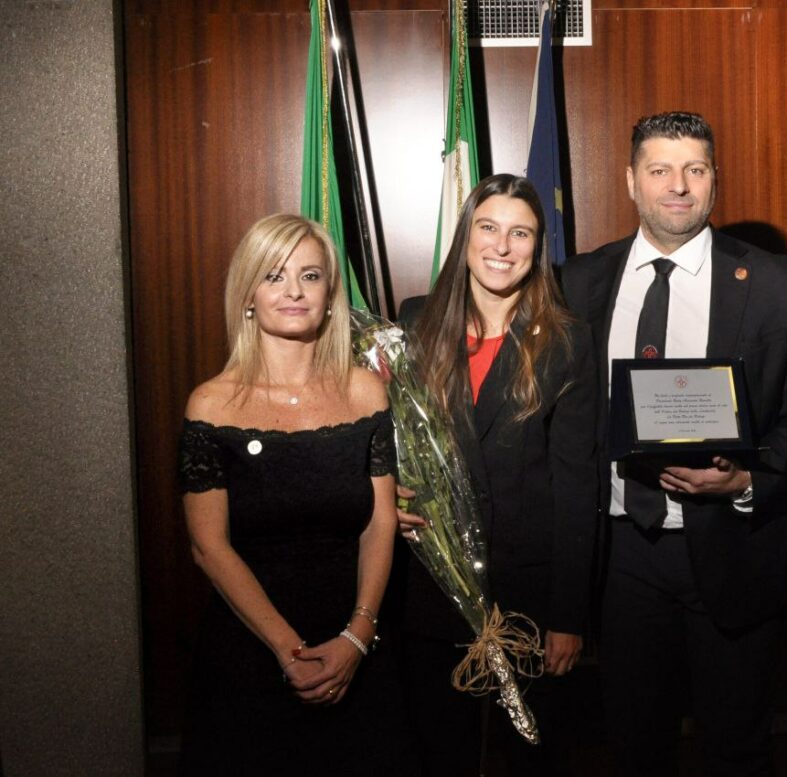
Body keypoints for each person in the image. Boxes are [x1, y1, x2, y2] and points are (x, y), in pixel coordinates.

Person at [561, 111, 787, 777]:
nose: (678, 185)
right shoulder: (579, 281)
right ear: (632, 181)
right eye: (660, 169)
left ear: (715, 179)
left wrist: (747, 482)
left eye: (695, 169)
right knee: (634, 747)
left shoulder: (774, 281)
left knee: (738, 748)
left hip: (734, 548)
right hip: (620, 556)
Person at [177, 214, 415, 774]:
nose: (293, 291)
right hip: (251, 650)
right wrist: (290, 651)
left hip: (357, 644)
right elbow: (208, 547)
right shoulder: (211, 404)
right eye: (274, 275)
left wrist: (358, 635)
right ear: (248, 294)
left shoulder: (366, 392)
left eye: (310, 276)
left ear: (330, 296)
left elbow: (380, 521)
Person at [392, 173, 598, 775]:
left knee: (531, 756)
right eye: (488, 228)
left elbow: (576, 486)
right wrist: (385, 497)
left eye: (520, 233)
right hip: (433, 581)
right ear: (466, 237)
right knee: (439, 752)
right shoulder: (414, 322)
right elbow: (388, 441)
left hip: (527, 593)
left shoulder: (566, 341)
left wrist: (567, 617)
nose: (502, 246)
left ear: (538, 247)